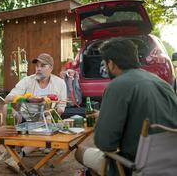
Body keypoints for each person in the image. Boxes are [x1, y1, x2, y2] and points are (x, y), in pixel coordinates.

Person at [75, 38, 177, 176]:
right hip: (170, 164)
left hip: (134, 166)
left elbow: (105, 144)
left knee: (79, 151)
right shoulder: (162, 83)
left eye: (104, 62)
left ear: (111, 63)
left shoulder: (117, 85)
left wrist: (102, 121)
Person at [0, 53, 67, 170]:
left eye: (43, 66)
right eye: (37, 66)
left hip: (46, 120)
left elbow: (62, 106)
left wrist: (54, 110)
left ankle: (17, 156)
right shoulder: (27, 81)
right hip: (24, 116)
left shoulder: (60, 83)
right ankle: (10, 150)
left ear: (51, 68)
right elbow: (8, 98)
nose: (38, 68)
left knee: (48, 121)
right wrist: (27, 98)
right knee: (5, 109)